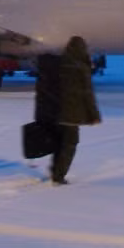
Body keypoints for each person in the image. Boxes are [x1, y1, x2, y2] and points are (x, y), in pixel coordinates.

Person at [34, 36, 101, 185]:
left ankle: (55, 171)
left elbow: (43, 88)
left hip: (53, 112)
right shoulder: (80, 67)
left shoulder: (58, 64)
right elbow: (87, 93)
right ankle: (58, 176)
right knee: (69, 144)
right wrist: (94, 115)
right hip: (70, 114)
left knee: (59, 143)